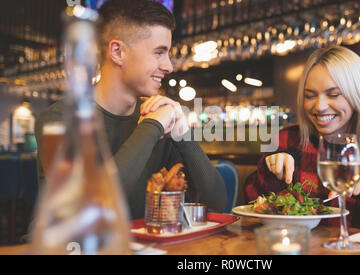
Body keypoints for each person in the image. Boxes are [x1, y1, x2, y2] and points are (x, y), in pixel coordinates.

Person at [35, 0, 227, 219]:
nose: (169, 66)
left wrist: (183, 135)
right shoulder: (59, 120)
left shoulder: (159, 119)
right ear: (118, 52)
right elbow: (89, 210)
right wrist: (151, 127)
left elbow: (217, 204)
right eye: (159, 52)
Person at [244, 46, 360, 228]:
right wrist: (268, 171)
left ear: (357, 96)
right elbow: (249, 204)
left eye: (334, 94)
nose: (319, 106)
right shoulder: (287, 139)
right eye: (310, 96)